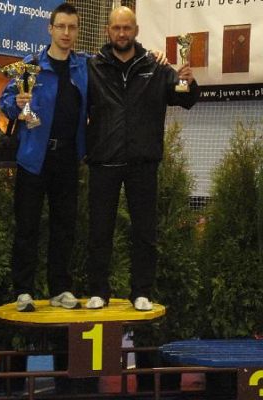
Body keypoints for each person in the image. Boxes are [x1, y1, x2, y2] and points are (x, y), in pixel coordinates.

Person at [85, 6, 199, 311]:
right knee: (99, 232)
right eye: (117, 28)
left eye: (127, 28)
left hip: (143, 163)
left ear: (136, 30)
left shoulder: (156, 66)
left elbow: (185, 99)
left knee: (145, 232)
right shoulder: (92, 67)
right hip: (103, 161)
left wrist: (188, 81)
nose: (122, 33)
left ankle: (141, 292)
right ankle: (98, 291)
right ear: (108, 31)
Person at [0, 3, 87, 312]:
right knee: (27, 227)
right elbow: (5, 100)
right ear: (50, 28)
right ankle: (23, 290)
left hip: (67, 159)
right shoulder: (30, 65)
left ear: (77, 31)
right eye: (61, 26)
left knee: (64, 228)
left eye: (72, 27)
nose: (66, 33)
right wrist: (16, 104)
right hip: (33, 158)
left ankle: (60, 289)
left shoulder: (84, 68)